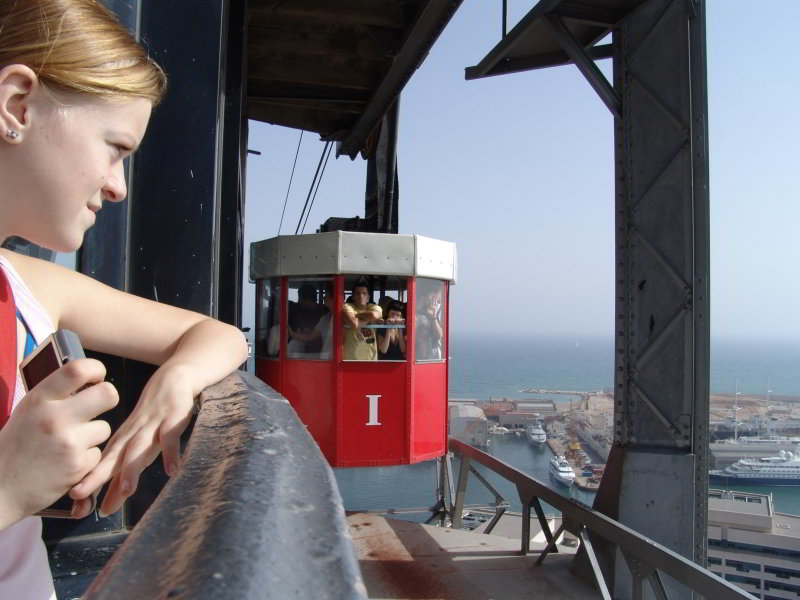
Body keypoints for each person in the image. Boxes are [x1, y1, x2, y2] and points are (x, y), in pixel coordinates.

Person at [0, 1, 248, 597]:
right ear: (17, 105)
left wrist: (177, 381)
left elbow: (220, 335)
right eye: (114, 147)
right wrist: (9, 487)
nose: (117, 186)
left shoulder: (28, 285)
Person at [342, 278, 382, 360]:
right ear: (352, 296)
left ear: (368, 297)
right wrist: (369, 319)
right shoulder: (347, 306)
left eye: (364, 293)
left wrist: (356, 315)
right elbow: (354, 324)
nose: (361, 296)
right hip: (350, 359)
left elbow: (374, 315)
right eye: (357, 293)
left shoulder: (374, 307)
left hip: (371, 359)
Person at [416, 280, 444, 360]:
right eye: (433, 292)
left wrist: (433, 317)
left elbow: (439, 335)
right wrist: (418, 310)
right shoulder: (416, 307)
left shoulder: (440, 309)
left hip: (433, 355)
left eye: (437, 293)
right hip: (417, 353)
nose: (434, 298)